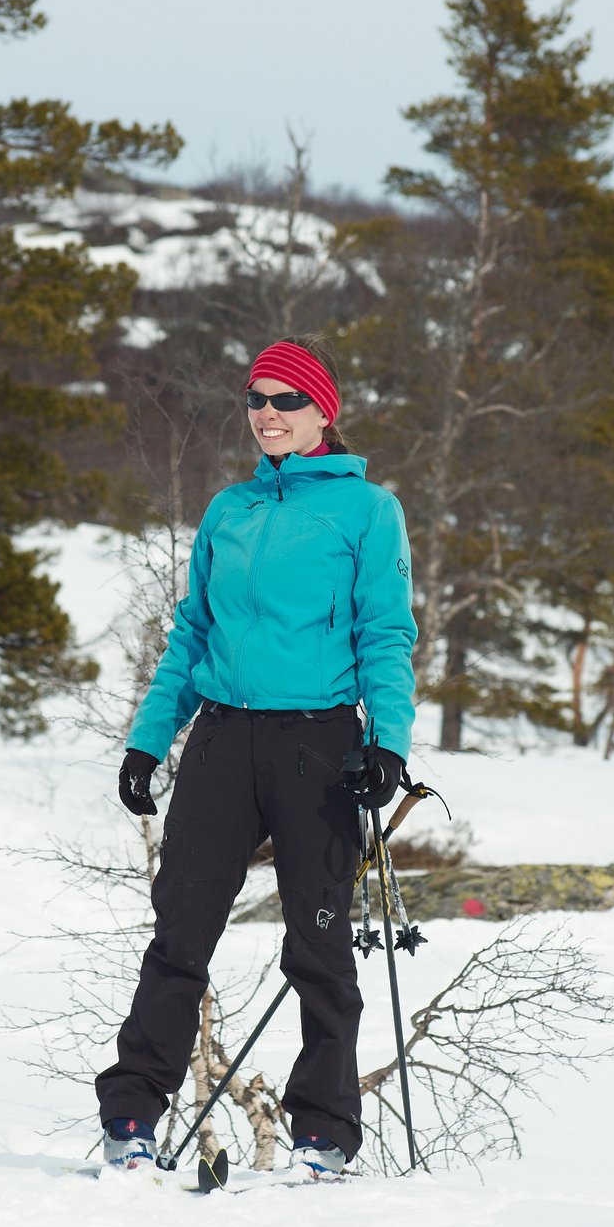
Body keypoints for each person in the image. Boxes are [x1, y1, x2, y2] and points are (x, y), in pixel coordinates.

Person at [95, 334, 417, 1177]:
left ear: (322, 412)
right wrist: (147, 740)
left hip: (318, 744)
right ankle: (130, 1118)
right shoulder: (228, 510)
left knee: (318, 945)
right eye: (256, 399)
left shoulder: (366, 510)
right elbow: (192, 633)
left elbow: (386, 633)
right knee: (180, 932)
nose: (267, 414)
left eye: (285, 400)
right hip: (221, 741)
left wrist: (386, 742)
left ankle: (322, 1136)